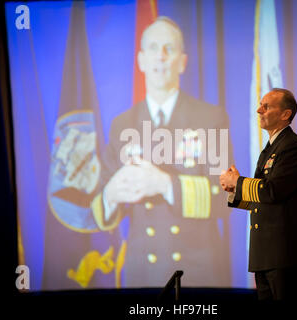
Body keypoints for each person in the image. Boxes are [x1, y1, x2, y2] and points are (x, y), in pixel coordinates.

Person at [90, 17, 233, 287]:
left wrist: (164, 184)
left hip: (197, 274)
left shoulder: (210, 118)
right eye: (153, 48)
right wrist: (110, 194)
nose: (161, 56)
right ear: (141, 60)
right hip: (142, 272)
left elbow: (228, 197)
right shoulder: (123, 125)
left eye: (170, 48)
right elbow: (101, 199)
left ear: (182, 61)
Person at [220, 88, 297, 300]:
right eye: (260, 105)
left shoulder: (293, 147)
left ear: (285, 114)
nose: (258, 110)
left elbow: (273, 192)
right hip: (266, 255)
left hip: (286, 255)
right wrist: (236, 189)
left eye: (266, 106)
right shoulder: (270, 149)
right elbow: (262, 201)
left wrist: (239, 182)